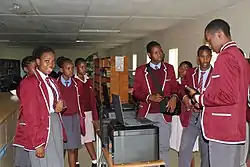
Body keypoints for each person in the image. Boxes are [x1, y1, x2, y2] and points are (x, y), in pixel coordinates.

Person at [186, 19, 249, 167]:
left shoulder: (225, 57)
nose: (210, 47)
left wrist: (199, 98)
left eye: (210, 40)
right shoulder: (240, 57)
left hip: (223, 129)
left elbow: (228, 95)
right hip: (234, 127)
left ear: (219, 35)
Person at [19, 45, 67, 167]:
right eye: (47, 61)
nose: (51, 64)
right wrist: (38, 143)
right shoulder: (29, 83)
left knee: (57, 162)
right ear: (38, 62)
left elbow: (58, 102)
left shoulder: (51, 81)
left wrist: (61, 104)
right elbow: (30, 114)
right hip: (41, 127)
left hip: (54, 123)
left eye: (53, 61)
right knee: (44, 163)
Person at [133, 41, 179, 166]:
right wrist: (149, 97)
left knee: (164, 147)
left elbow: (175, 87)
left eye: (160, 51)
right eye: (156, 52)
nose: (159, 54)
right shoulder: (141, 70)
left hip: (164, 114)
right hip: (147, 114)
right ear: (149, 55)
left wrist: (174, 97)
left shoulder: (169, 68)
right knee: (146, 147)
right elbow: (136, 93)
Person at [179, 45, 213, 167]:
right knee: (184, 149)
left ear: (211, 57)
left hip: (208, 118)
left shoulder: (216, 74)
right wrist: (186, 99)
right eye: (202, 57)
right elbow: (182, 89)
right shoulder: (190, 73)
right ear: (198, 58)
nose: (205, 60)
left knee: (206, 153)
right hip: (192, 116)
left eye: (207, 57)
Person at [57, 57, 84, 167]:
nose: (71, 71)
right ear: (61, 70)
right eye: (68, 68)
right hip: (61, 119)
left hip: (73, 118)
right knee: (60, 149)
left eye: (72, 68)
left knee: (72, 149)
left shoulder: (77, 84)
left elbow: (80, 101)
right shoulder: (56, 84)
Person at [74, 58, 99, 167]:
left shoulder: (88, 80)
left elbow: (93, 100)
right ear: (76, 68)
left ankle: (94, 161)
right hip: (77, 115)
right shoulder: (73, 81)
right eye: (81, 67)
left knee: (88, 138)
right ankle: (76, 162)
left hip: (88, 114)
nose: (84, 69)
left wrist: (95, 117)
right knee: (76, 141)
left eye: (85, 67)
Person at [13, 55, 36, 167]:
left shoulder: (40, 81)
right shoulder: (25, 83)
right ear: (26, 69)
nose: (37, 69)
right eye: (34, 67)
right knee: (24, 155)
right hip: (27, 122)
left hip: (35, 124)